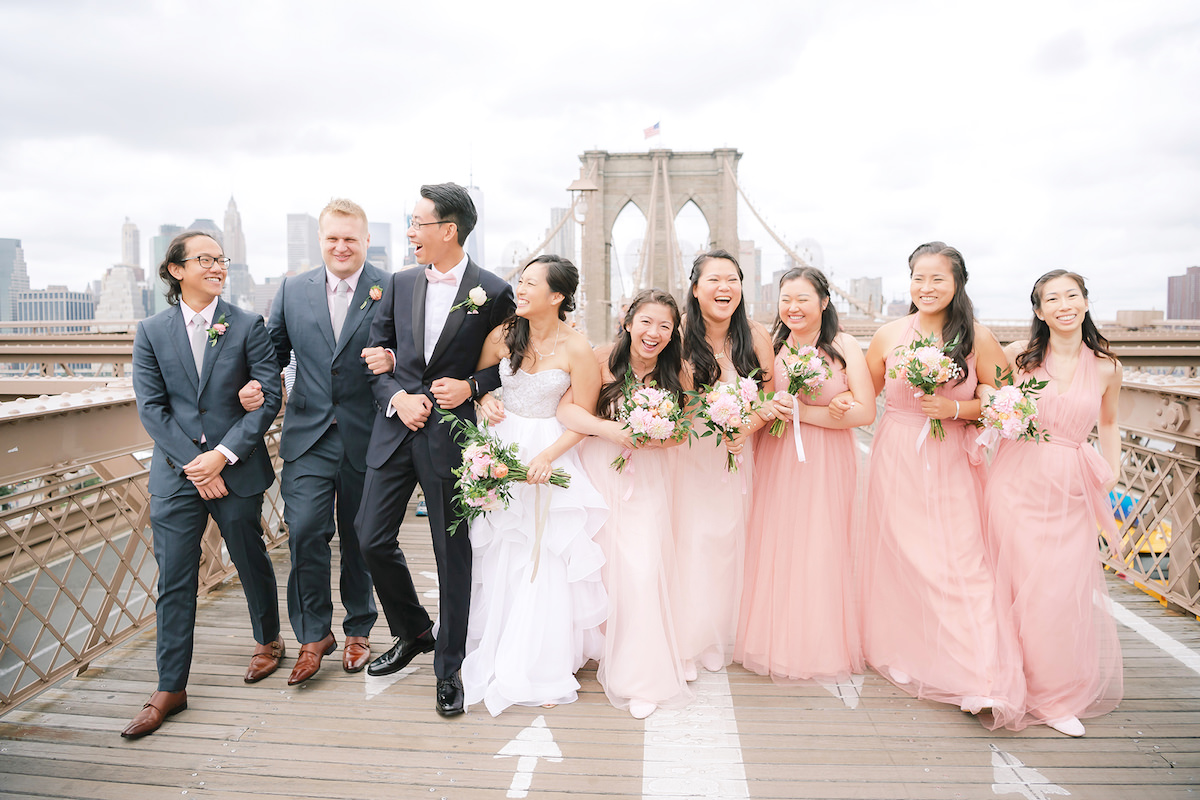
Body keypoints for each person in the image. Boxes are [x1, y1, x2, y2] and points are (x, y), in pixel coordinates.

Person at [355, 183, 515, 716]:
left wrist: (471, 386)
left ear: (448, 230)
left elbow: (513, 361)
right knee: (369, 537)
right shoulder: (397, 285)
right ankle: (414, 630)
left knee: (453, 556)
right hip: (396, 429)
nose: (409, 233)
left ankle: (451, 668)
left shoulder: (492, 291)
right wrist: (399, 397)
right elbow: (377, 357)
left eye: (417, 223)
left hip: (452, 438)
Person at [123, 232, 283, 738]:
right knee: (174, 579)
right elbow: (153, 408)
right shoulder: (150, 331)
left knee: (247, 554)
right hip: (177, 476)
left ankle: (268, 639)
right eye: (206, 259)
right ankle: (171, 687)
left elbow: (270, 395)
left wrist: (221, 456)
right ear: (176, 270)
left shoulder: (246, 324)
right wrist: (197, 463)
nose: (217, 267)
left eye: (221, 259)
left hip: (235, 469)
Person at [858, 241, 1020, 720]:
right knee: (904, 558)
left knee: (963, 563)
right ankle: (907, 654)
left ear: (957, 284)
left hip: (952, 458)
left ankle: (982, 677)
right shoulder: (888, 334)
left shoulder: (978, 338)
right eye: (918, 278)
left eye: (938, 279)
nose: (926, 288)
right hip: (897, 454)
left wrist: (956, 408)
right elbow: (863, 390)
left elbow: (1010, 402)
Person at [242, 198, 384, 682]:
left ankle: (358, 628)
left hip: (370, 435)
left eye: (350, 238)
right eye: (332, 238)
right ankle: (311, 635)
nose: (341, 246)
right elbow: (272, 354)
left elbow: (410, 355)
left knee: (361, 537)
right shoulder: (291, 290)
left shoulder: (392, 289)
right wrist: (255, 387)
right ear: (320, 241)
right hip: (307, 435)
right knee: (304, 531)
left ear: (366, 240)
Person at [462, 255, 608, 715]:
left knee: (543, 553)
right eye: (519, 282)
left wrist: (548, 456)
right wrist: (485, 401)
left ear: (557, 297)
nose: (519, 290)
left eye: (529, 284)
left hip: (550, 452)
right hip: (500, 449)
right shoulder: (503, 335)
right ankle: (500, 643)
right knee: (501, 548)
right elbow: (481, 385)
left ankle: (543, 661)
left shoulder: (578, 349)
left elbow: (583, 417)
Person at [983, 270, 1123, 736]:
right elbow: (987, 395)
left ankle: (1053, 694)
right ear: (1039, 311)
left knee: (1059, 593)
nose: (1064, 304)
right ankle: (1005, 681)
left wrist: (1112, 471)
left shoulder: (1107, 367)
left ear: (1085, 303)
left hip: (1070, 486)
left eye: (1072, 295)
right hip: (1016, 480)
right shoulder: (1017, 359)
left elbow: (1108, 423)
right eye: (1052, 299)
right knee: (1017, 585)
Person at [559, 288, 693, 719]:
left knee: (640, 568)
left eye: (665, 326)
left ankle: (639, 674)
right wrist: (610, 430)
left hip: (647, 479)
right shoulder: (599, 359)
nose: (653, 333)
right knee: (596, 566)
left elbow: (682, 431)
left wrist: (653, 433)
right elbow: (567, 412)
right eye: (646, 322)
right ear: (628, 321)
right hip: (598, 471)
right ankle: (593, 648)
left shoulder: (679, 373)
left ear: (673, 334)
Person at [736, 268, 874, 683]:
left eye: (803, 299)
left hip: (825, 458)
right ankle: (773, 639)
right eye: (786, 300)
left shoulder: (845, 345)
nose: (793, 308)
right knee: (775, 542)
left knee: (820, 543)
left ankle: (816, 643)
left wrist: (805, 411)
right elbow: (756, 400)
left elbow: (866, 412)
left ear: (824, 303)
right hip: (776, 454)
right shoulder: (770, 346)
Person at [674, 249, 775, 678]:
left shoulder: (756, 337)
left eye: (732, 280)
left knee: (727, 541)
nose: (724, 288)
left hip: (735, 453)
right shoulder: (677, 336)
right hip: (687, 453)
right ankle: (684, 639)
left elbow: (767, 398)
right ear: (695, 289)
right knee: (688, 540)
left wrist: (745, 427)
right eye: (714, 280)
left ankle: (714, 635)